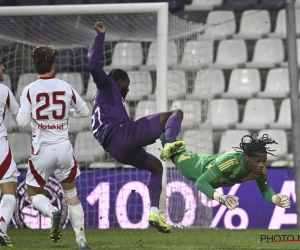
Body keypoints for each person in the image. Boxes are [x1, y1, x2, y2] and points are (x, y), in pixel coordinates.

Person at [89, 21, 186, 233]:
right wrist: (100, 37)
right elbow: (93, 67)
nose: (128, 88)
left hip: (116, 150)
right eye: (127, 83)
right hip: (122, 135)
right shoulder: (107, 86)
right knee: (175, 114)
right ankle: (169, 144)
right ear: (119, 80)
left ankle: (154, 212)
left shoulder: (101, 103)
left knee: (156, 167)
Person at [16, 46, 90, 249]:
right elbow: (84, 112)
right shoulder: (66, 86)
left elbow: (22, 122)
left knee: (32, 194)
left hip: (42, 150)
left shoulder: (29, 90)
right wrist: (66, 114)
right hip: (64, 148)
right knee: (71, 195)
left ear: (35, 65)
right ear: (53, 65)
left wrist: (36, 116)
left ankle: (51, 211)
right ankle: (81, 240)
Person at [159, 132, 291, 210]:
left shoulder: (260, 170)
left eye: (264, 160)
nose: (262, 165)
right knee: (173, 154)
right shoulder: (231, 161)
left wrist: (276, 199)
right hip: (196, 167)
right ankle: (158, 130)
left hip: (212, 164)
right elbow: (200, 182)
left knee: (171, 147)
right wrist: (221, 199)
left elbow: (265, 189)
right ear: (247, 158)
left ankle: (163, 127)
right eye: (257, 161)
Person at [0, 62, 20, 247]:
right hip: (0, 148)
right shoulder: (3, 90)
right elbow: (19, 118)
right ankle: (1, 227)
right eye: (0, 65)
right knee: (10, 190)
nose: (4, 68)